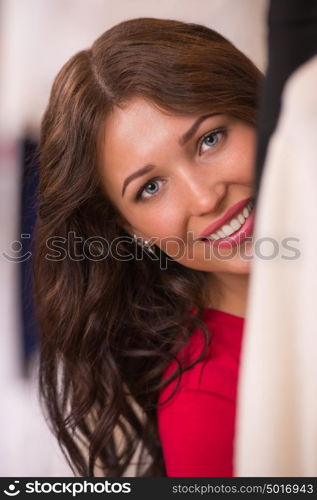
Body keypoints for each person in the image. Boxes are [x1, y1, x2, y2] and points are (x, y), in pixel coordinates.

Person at [33, 17, 261, 477]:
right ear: (130, 229)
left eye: (209, 140)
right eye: (151, 187)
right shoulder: (206, 407)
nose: (205, 197)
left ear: (261, 110)